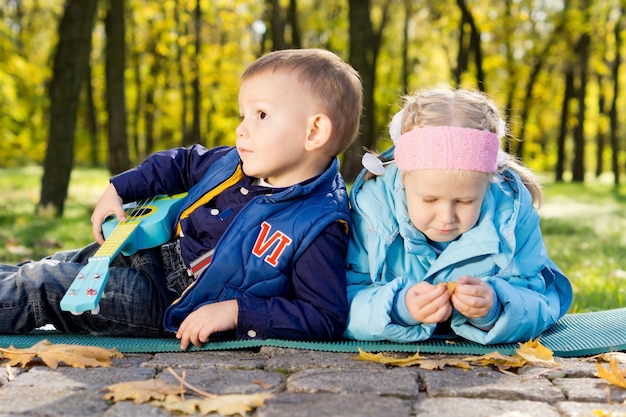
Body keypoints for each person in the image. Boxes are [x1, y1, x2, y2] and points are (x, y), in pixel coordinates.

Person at [0, 48, 363, 350]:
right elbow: (182, 161)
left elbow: (323, 317)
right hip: (149, 251)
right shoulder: (236, 162)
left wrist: (237, 312)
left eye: (261, 114)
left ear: (314, 131)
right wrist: (120, 188)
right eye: (242, 115)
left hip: (167, 300)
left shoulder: (319, 223)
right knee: (45, 264)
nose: (241, 128)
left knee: (43, 284)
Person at [343, 88, 572, 344]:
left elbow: (538, 299)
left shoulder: (512, 215)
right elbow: (343, 298)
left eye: (465, 201)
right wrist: (398, 308)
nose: (446, 217)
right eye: (430, 200)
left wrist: (495, 308)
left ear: (487, 184)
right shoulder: (372, 213)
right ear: (404, 177)